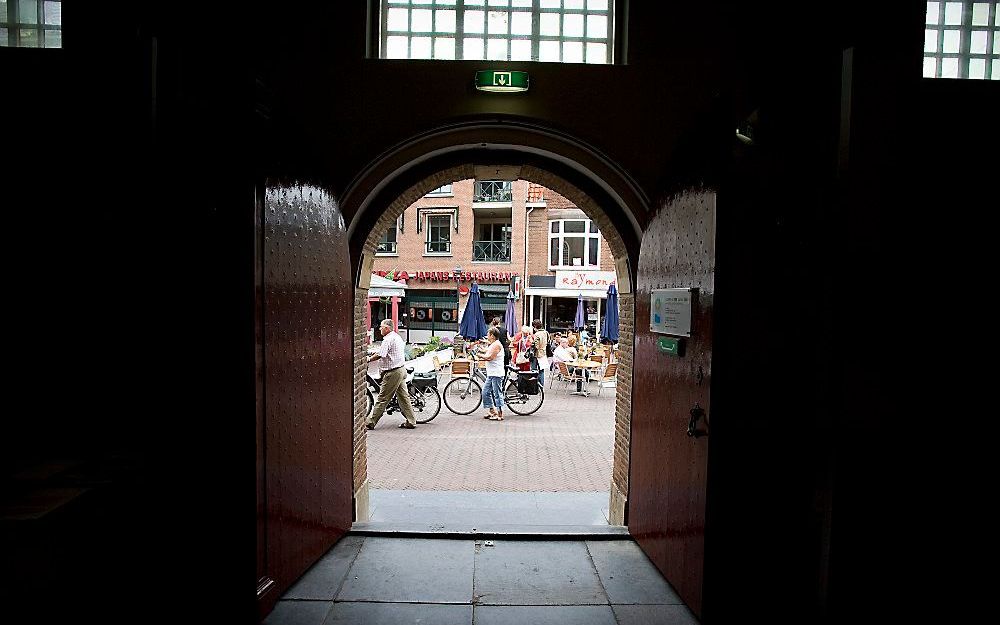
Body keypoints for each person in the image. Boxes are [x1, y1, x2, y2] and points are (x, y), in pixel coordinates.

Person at [366, 319, 416, 429]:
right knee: (404, 397)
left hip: (393, 373)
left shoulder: (388, 339)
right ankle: (411, 421)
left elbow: (381, 354)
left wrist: (369, 359)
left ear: (387, 328)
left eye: (381, 327)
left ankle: (371, 422)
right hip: (401, 370)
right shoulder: (396, 337)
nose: (379, 329)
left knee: (383, 398)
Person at [478, 327, 506, 421]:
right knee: (485, 392)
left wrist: (479, 356)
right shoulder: (493, 344)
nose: (487, 336)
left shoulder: (497, 345)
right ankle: (492, 411)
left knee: (497, 394)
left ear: (492, 336)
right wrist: (480, 350)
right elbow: (487, 351)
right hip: (491, 373)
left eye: (488, 334)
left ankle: (500, 414)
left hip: (496, 374)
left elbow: (490, 357)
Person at [531, 319, 549, 386]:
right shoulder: (546, 332)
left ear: (535, 326)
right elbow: (547, 342)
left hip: (537, 354)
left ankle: (534, 385)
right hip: (543, 353)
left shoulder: (537, 334)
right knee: (542, 370)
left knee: (534, 370)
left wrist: (532, 344)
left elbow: (536, 346)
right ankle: (541, 385)